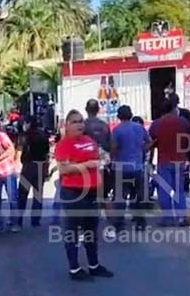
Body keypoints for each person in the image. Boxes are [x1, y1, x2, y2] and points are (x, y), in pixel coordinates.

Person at [55, 109, 114, 281]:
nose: (79, 124)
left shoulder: (89, 141)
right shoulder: (63, 145)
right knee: (73, 232)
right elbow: (64, 169)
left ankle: (94, 265)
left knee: (91, 231)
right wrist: (87, 164)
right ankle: (74, 269)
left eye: (81, 121)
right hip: (73, 192)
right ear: (66, 126)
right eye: (74, 121)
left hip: (93, 191)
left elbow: (102, 159)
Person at [150, 95, 190, 227]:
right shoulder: (183, 122)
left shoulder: (157, 124)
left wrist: (150, 159)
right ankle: (181, 218)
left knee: (164, 190)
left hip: (163, 161)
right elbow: (189, 141)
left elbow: (150, 142)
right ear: (174, 109)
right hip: (179, 160)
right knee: (179, 189)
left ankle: (168, 219)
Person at [108, 105, 149, 232]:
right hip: (137, 167)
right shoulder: (139, 128)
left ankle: (119, 224)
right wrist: (141, 151)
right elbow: (149, 142)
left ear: (119, 116)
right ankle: (140, 222)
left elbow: (113, 148)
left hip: (121, 168)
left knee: (120, 196)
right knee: (138, 196)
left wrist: (112, 157)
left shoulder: (117, 130)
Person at [83, 99, 115, 236]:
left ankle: (85, 231)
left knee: (84, 198)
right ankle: (111, 228)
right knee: (104, 197)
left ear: (86, 109)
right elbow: (110, 145)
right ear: (98, 110)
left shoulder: (82, 126)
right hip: (104, 164)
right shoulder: (104, 125)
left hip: (87, 165)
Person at [16, 115, 50, 228]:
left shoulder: (25, 136)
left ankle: (19, 219)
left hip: (28, 166)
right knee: (38, 194)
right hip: (40, 166)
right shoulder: (43, 135)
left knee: (22, 194)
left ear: (28, 123)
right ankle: (35, 220)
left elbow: (20, 151)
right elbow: (47, 152)